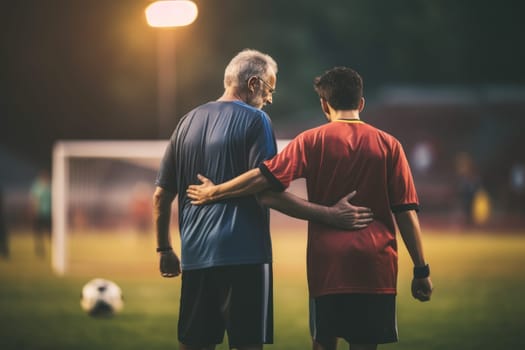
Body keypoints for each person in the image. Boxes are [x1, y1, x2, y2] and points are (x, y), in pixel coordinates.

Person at [187, 67, 433, 350]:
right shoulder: (390, 145)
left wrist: (214, 191)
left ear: (324, 104)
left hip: (328, 265)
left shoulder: (311, 140)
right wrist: (421, 270)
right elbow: (406, 213)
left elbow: (263, 181)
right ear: (361, 103)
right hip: (375, 266)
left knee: (324, 342)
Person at [153, 51, 373, 350]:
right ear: (254, 84)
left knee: (194, 344)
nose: (269, 98)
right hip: (244, 257)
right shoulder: (256, 120)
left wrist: (165, 248)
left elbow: (161, 195)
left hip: (194, 258)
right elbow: (267, 190)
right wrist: (330, 215)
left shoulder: (186, 122)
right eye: (269, 89)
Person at [30, 170, 52, 257]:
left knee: (51, 233)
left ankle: (56, 249)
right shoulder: (37, 186)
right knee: (38, 233)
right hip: (39, 214)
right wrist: (34, 211)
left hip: (49, 214)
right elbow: (34, 199)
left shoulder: (50, 186)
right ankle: (39, 251)